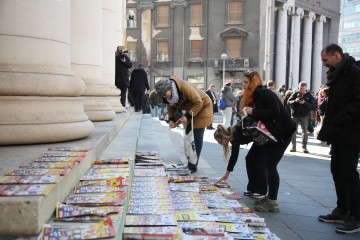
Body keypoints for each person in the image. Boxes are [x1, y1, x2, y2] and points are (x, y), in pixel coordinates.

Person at [234, 71, 295, 212]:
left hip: (282, 133)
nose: (243, 85)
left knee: (270, 165)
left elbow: (275, 111)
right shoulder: (254, 95)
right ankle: (260, 191)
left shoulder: (264, 93)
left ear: (253, 82)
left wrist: (253, 112)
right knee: (254, 158)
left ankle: (272, 201)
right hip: (270, 133)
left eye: (246, 82)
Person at [317, 43, 360, 234]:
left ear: (337, 55)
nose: (325, 64)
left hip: (351, 132)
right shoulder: (338, 74)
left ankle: (356, 217)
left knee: (349, 174)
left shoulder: (354, 72)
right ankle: (342, 209)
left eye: (326, 60)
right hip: (339, 132)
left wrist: (339, 118)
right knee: (337, 171)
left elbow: (357, 104)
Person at [154, 77, 213, 173]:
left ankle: (193, 165)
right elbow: (170, 106)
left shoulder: (184, 87)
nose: (164, 97)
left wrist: (187, 116)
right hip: (193, 108)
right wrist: (171, 119)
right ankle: (190, 162)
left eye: (165, 94)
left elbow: (198, 102)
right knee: (188, 133)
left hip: (202, 106)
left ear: (169, 88)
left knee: (196, 134)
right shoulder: (170, 95)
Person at [287, 81, 315, 153]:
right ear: (298, 88)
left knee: (305, 132)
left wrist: (304, 103)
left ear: (306, 88)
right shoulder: (295, 94)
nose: (301, 90)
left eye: (303, 88)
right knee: (293, 132)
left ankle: (304, 147)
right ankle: (293, 146)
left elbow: (312, 107)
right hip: (295, 115)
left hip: (304, 116)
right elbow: (288, 102)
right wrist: (295, 101)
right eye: (300, 88)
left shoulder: (309, 96)